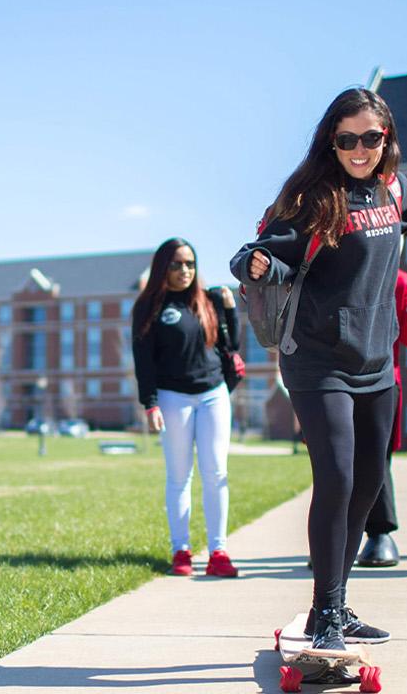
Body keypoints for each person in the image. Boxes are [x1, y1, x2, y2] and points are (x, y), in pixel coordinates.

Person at [232, 88, 407, 649]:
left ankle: (339, 604)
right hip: (317, 360)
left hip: (377, 362)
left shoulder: (394, 191)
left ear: (386, 139)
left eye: (370, 138)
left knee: (370, 484)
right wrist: (253, 262)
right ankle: (324, 614)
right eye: (346, 138)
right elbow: (268, 248)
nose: (358, 148)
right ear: (332, 139)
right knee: (338, 479)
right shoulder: (314, 198)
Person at [132, 237, 240, 578]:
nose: (184, 270)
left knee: (216, 473)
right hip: (172, 397)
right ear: (163, 267)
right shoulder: (149, 307)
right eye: (177, 264)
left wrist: (231, 309)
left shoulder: (208, 300)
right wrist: (149, 404)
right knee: (179, 476)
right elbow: (143, 360)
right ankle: (181, 550)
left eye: (190, 264)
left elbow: (231, 346)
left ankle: (218, 551)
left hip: (213, 394)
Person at [356, 266, 407, 567]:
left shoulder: (399, 281)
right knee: (335, 461)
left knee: (377, 460)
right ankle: (336, 534)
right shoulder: (343, 270)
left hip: (383, 378)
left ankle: (380, 532)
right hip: (337, 375)